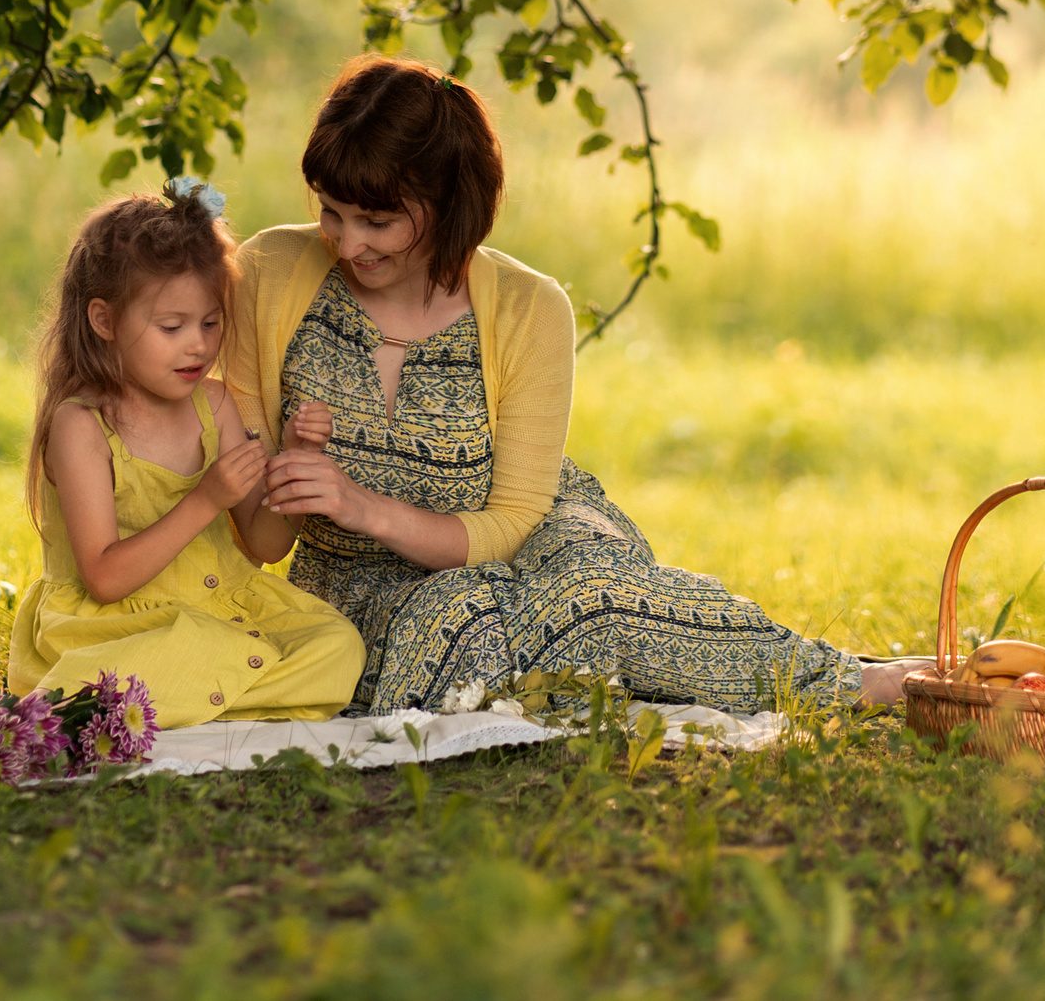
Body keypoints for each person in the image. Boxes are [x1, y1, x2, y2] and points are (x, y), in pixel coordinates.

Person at [224, 55, 928, 715]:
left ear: (448, 204)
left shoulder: (529, 307)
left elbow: (511, 522)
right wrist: (313, 490)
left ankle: (862, 681)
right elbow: (259, 533)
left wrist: (364, 505)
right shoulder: (270, 272)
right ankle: (659, 658)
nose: (347, 243)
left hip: (531, 535)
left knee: (595, 594)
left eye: (376, 221)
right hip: (366, 583)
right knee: (461, 624)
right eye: (331, 211)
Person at [7, 180, 364, 726]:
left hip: (219, 609)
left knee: (337, 646)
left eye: (210, 323)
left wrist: (296, 463)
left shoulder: (215, 405)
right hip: (117, 628)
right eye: (172, 327)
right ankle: (195, 696)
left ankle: (171, 702)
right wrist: (205, 500)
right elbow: (104, 578)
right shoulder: (81, 425)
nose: (197, 344)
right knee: (183, 650)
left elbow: (267, 545)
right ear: (104, 321)